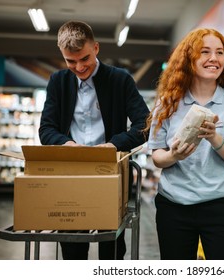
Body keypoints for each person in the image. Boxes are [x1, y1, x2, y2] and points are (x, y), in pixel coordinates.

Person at [39, 20, 149, 260]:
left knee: (111, 248)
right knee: (72, 247)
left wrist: (113, 145)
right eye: (71, 61)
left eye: (84, 59)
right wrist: (67, 145)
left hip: (112, 173)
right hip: (70, 174)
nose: (79, 67)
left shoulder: (120, 80)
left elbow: (145, 125)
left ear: (96, 48)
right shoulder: (58, 82)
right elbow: (46, 129)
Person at [145, 28, 224, 260]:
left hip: (221, 207)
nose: (213, 59)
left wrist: (216, 139)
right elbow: (157, 156)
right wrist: (174, 155)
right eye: (204, 52)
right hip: (174, 205)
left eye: (219, 52)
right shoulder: (168, 104)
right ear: (189, 58)